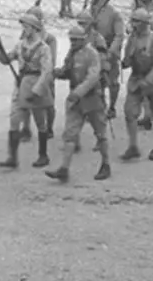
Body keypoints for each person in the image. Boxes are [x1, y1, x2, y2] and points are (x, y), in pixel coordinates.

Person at [46, 21, 110, 182]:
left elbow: (93, 76)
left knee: (100, 133)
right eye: (71, 39)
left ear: (83, 40)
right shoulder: (72, 54)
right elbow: (68, 71)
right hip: (76, 99)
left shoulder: (92, 54)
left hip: (91, 98)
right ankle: (64, 168)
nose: (73, 43)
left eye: (76, 40)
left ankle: (106, 164)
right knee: (70, 134)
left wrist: (79, 92)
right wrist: (57, 73)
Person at [0, 11, 53, 170]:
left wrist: (38, 88)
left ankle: (43, 155)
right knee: (14, 119)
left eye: (27, 26)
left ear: (35, 28)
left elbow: (47, 70)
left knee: (39, 122)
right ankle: (12, 157)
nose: (24, 29)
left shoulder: (44, 48)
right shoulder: (20, 45)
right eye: (23, 26)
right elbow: (6, 59)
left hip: (35, 84)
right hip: (21, 84)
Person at [120, 7, 153, 161]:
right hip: (136, 78)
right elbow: (127, 59)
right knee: (129, 113)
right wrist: (125, 60)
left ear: (145, 23)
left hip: (152, 81)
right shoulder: (132, 38)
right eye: (132, 20)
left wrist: (148, 82)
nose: (133, 24)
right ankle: (133, 146)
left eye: (136, 21)